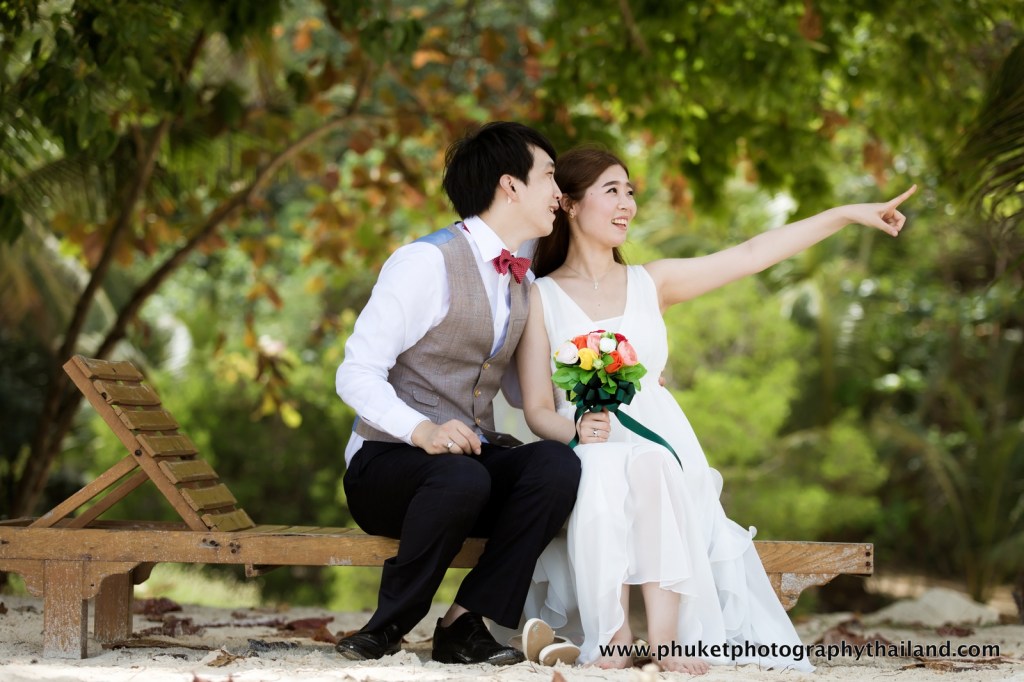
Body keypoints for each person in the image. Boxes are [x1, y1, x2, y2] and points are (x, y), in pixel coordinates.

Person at [515, 146, 915, 674]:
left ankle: (665, 642)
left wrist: (845, 215)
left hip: (661, 440)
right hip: (583, 446)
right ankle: (611, 640)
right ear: (568, 204)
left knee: (657, 469)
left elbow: (751, 254)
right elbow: (537, 408)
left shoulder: (651, 283)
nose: (627, 204)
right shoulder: (539, 296)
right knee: (605, 472)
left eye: (630, 192)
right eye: (612, 190)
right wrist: (575, 429)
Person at [334, 122, 582, 665]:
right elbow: (355, 374)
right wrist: (422, 430)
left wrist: (599, 380)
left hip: (464, 468)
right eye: (549, 178)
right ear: (510, 186)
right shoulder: (425, 263)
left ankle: (465, 623)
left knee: (555, 468)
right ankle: (387, 625)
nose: (559, 195)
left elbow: (517, 390)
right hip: (386, 466)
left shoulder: (521, 276)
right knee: (460, 475)